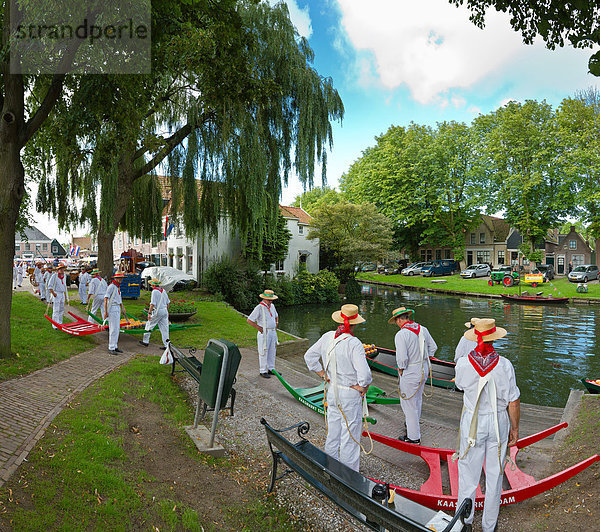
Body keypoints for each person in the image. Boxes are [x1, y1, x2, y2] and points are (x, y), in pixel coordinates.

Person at [454, 318, 520, 532]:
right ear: (494, 338)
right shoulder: (505, 365)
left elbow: (462, 386)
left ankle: (465, 521)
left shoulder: (463, 363)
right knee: (494, 475)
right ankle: (489, 526)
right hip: (498, 421)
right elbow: (513, 401)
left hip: (473, 420)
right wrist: (515, 429)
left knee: (468, 475)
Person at [304, 303, 372, 472]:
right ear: (355, 323)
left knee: (333, 432)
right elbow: (365, 375)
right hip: (349, 393)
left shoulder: (327, 337)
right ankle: (349, 476)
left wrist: (322, 374)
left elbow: (309, 356)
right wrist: (363, 387)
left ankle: (330, 467)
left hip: (332, 390)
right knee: (349, 436)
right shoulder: (354, 343)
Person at [388, 306, 437, 444]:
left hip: (410, 370)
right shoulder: (423, 329)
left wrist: (401, 369)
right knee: (417, 400)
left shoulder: (401, 334)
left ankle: (413, 437)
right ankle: (412, 425)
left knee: (408, 403)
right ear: (407, 317)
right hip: (423, 368)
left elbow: (402, 358)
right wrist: (425, 358)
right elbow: (433, 347)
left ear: (398, 320)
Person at [247, 289, 279, 378]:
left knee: (272, 350)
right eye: (269, 300)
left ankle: (271, 368)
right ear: (264, 299)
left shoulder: (272, 306)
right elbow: (249, 320)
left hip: (272, 332)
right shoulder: (259, 308)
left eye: (271, 300)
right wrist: (258, 327)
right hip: (264, 332)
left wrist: (276, 323)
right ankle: (263, 370)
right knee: (263, 351)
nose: (270, 301)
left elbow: (276, 316)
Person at [139, 278, 170, 348]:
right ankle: (167, 345)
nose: (151, 286)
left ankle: (145, 341)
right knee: (165, 328)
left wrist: (149, 313)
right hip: (164, 310)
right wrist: (167, 312)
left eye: (151, 285)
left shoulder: (154, 292)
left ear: (153, 285)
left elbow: (152, 304)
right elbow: (168, 303)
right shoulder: (163, 291)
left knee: (149, 324)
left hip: (158, 311)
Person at [104, 272, 127, 355]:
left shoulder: (117, 287)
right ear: (115, 278)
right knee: (113, 328)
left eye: (121, 278)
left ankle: (115, 345)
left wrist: (122, 307)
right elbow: (106, 299)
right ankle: (111, 347)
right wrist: (105, 311)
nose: (121, 279)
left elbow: (119, 299)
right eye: (119, 278)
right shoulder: (111, 287)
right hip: (112, 308)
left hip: (117, 307)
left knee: (117, 328)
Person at [47, 264, 69, 328]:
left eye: (63, 269)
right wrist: (53, 293)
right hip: (57, 293)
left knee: (61, 309)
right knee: (56, 309)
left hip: (62, 293)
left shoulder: (64, 276)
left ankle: (60, 322)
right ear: (58, 270)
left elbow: (64, 286)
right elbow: (49, 286)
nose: (62, 270)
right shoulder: (54, 276)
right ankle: (55, 325)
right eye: (61, 269)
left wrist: (65, 295)